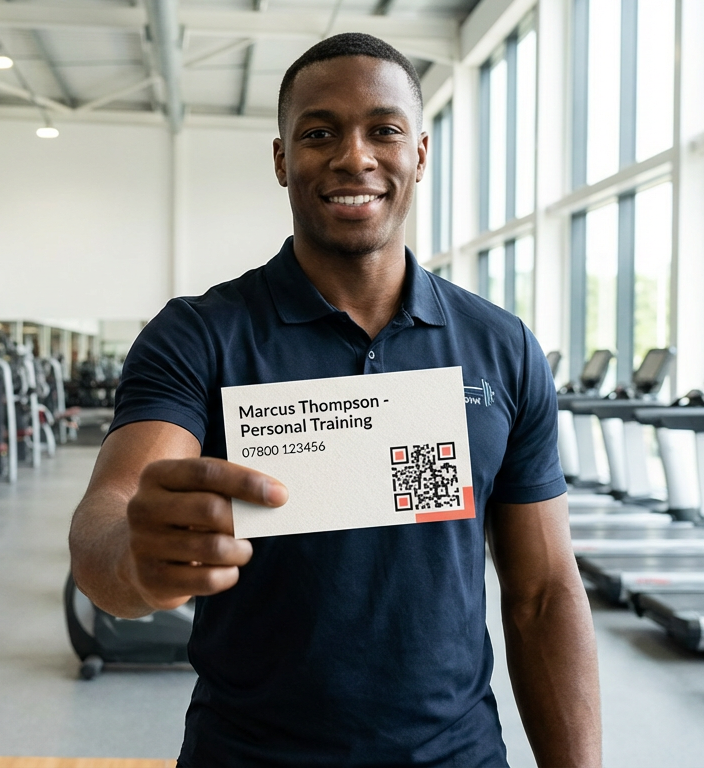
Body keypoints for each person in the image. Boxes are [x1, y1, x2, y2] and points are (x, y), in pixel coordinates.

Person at [68, 33, 600, 768]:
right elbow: (107, 518)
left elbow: (543, 594)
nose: (354, 157)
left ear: (418, 152)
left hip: (457, 756)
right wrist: (133, 559)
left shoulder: (501, 346)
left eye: (382, 130)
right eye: (319, 133)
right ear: (283, 160)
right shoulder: (199, 335)